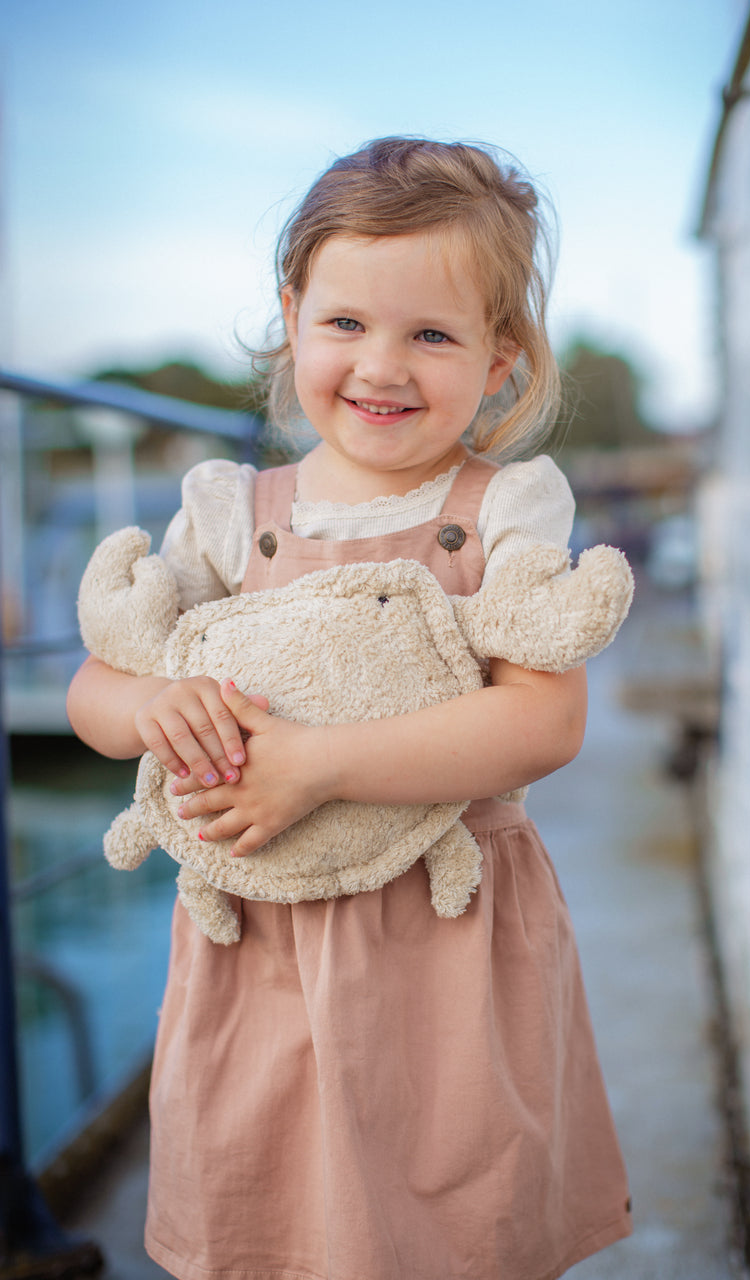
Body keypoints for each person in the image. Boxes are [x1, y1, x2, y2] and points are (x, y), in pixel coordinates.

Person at [67, 136, 632, 1280]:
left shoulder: (506, 506)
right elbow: (93, 687)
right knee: (270, 1211)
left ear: (500, 355)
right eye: (345, 323)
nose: (382, 365)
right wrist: (154, 701)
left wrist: (318, 763)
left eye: (431, 334)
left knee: (454, 1212)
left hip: (446, 933)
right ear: (292, 320)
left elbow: (541, 722)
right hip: (256, 937)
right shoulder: (228, 512)